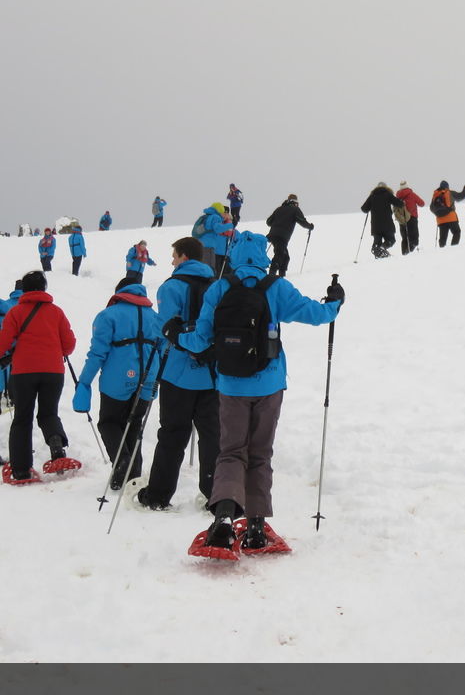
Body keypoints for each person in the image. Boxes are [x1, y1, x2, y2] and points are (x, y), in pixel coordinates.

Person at [165, 231, 343, 550]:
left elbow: (201, 339)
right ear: (265, 255)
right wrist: (334, 301)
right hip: (270, 384)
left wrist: (175, 333)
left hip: (231, 384)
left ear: (233, 254)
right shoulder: (276, 287)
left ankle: (223, 518)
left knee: (231, 450)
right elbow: (318, 315)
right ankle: (257, 526)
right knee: (260, 452)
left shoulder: (219, 289)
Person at [136, 237, 219, 510]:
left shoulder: (171, 286)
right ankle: (215, 495)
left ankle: (159, 495)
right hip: (212, 374)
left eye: (174, 255)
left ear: (184, 256)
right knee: (212, 436)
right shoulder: (216, 286)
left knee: (172, 434)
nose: (172, 261)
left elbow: (166, 328)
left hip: (177, 373)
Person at [72, 278, 164, 489]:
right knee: (134, 423)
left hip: (117, 379)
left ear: (119, 293)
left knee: (109, 422)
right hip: (148, 378)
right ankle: (133, 474)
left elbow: (97, 353)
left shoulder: (108, 315)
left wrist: (84, 383)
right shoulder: (155, 317)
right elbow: (162, 349)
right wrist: (157, 380)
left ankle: (121, 461)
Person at [0, 271, 76, 482]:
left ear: (23, 289)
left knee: (22, 418)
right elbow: (69, 345)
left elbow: (3, 342)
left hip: (23, 372)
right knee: (48, 413)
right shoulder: (57, 312)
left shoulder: (16, 313)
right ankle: (57, 448)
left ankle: (21, 469)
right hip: (53, 372)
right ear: (44, 287)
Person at [266, 194, 313, 277]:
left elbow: (269, 222)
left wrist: (278, 221)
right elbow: (302, 221)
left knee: (285, 256)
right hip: (282, 236)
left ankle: (281, 276)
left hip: (273, 235)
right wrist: (310, 226)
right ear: (295, 202)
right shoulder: (295, 210)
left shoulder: (279, 209)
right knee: (280, 254)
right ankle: (272, 275)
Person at [360, 182, 404, 259]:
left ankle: (378, 251)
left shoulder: (372, 196)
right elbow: (399, 204)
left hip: (375, 225)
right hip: (387, 224)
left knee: (377, 242)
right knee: (391, 240)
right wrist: (402, 202)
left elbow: (364, 209)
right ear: (386, 187)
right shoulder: (388, 194)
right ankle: (382, 248)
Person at [196, 202, 235, 276]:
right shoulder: (215, 217)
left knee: (205, 267)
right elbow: (217, 228)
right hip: (210, 247)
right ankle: (209, 284)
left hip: (202, 245)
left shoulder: (207, 216)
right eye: (223, 212)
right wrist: (231, 225)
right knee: (210, 269)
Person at [430, 181, 465, 247]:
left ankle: (442, 250)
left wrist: (438, 214)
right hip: (451, 218)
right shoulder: (450, 193)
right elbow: (461, 196)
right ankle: (453, 248)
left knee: (443, 238)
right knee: (457, 232)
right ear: (447, 187)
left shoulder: (435, 195)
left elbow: (431, 208)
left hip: (441, 220)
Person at [395, 181, 426, 255]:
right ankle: (410, 253)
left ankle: (404, 255)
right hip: (412, 218)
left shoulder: (397, 196)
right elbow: (422, 203)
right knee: (414, 237)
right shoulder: (411, 194)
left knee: (405, 238)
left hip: (402, 219)